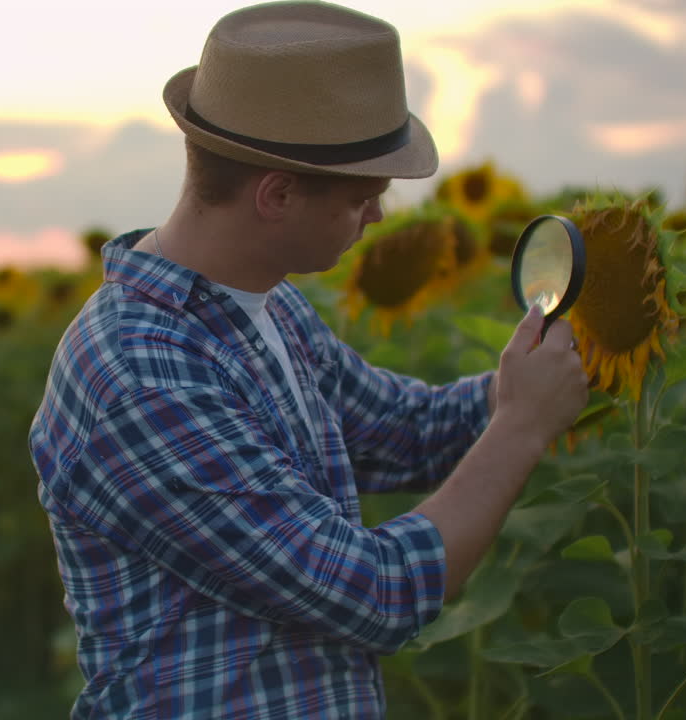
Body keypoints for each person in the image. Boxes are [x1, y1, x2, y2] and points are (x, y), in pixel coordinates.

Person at [29, 2, 590, 718]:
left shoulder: (267, 304)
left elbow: (400, 430)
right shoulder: (140, 375)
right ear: (278, 194)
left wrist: (549, 374)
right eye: (364, 197)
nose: (378, 218)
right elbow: (374, 593)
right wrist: (520, 428)